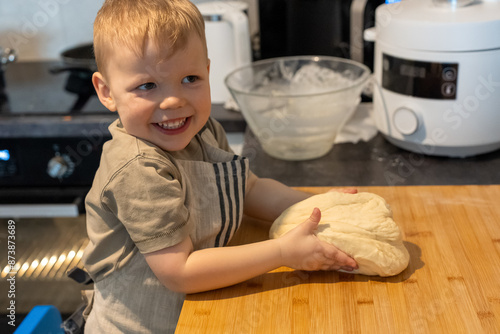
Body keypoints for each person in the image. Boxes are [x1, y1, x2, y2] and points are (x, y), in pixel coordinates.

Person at [81, 0, 358, 332]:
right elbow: (180, 270)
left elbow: (249, 188)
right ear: (106, 91)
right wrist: (283, 251)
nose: (174, 101)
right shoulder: (138, 170)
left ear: (208, 72)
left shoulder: (202, 129)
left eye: (190, 78)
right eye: (147, 86)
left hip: (199, 313)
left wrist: (316, 206)